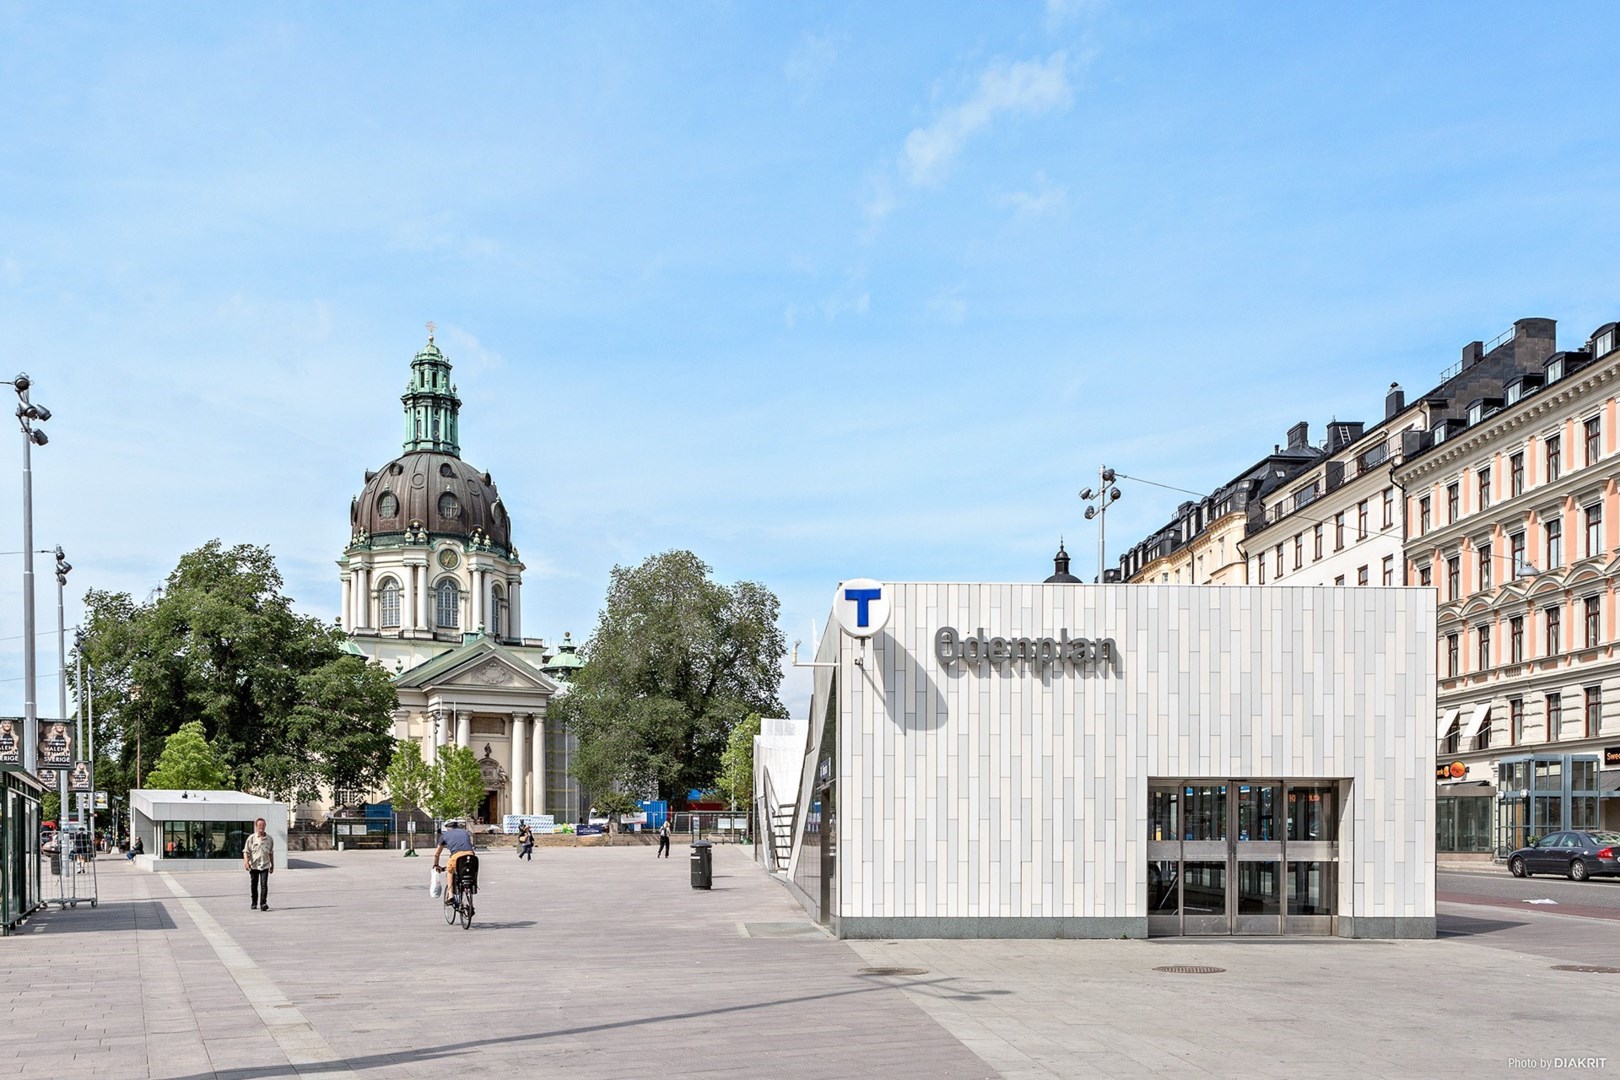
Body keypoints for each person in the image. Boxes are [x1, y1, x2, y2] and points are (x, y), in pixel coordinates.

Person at [433, 818, 477, 905]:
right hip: (471, 855)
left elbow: (436, 854)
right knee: (471, 871)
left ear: (447, 827)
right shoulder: (465, 832)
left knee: (450, 871)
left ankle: (450, 896)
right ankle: (473, 887)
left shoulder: (444, 835)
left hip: (456, 856)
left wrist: (436, 865)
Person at [243, 817, 274, 911]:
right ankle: (254, 902)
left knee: (264, 885)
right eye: (259, 825)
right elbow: (246, 851)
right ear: (256, 826)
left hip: (265, 864)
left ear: (265, 826)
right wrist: (246, 862)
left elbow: (271, 852)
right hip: (254, 865)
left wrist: (272, 864)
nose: (261, 827)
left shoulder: (269, 839)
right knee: (254, 884)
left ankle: (263, 903)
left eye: (263, 825)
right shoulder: (251, 838)